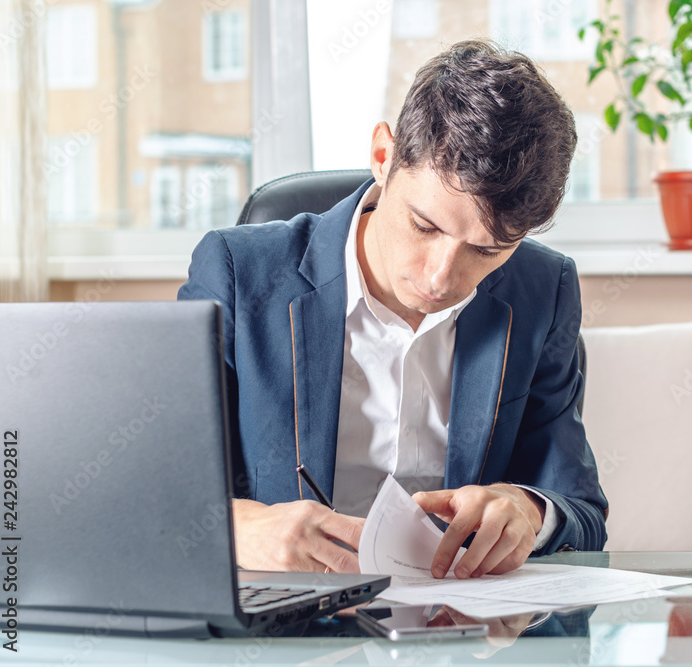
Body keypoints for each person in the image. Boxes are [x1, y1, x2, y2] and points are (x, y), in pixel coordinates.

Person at [178, 39, 607, 580]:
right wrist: (235, 528)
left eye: (486, 251)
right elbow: (150, 488)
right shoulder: (238, 273)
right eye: (424, 226)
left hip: (460, 635)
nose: (440, 277)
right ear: (384, 156)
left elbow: (581, 509)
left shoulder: (543, 289)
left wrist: (529, 509)